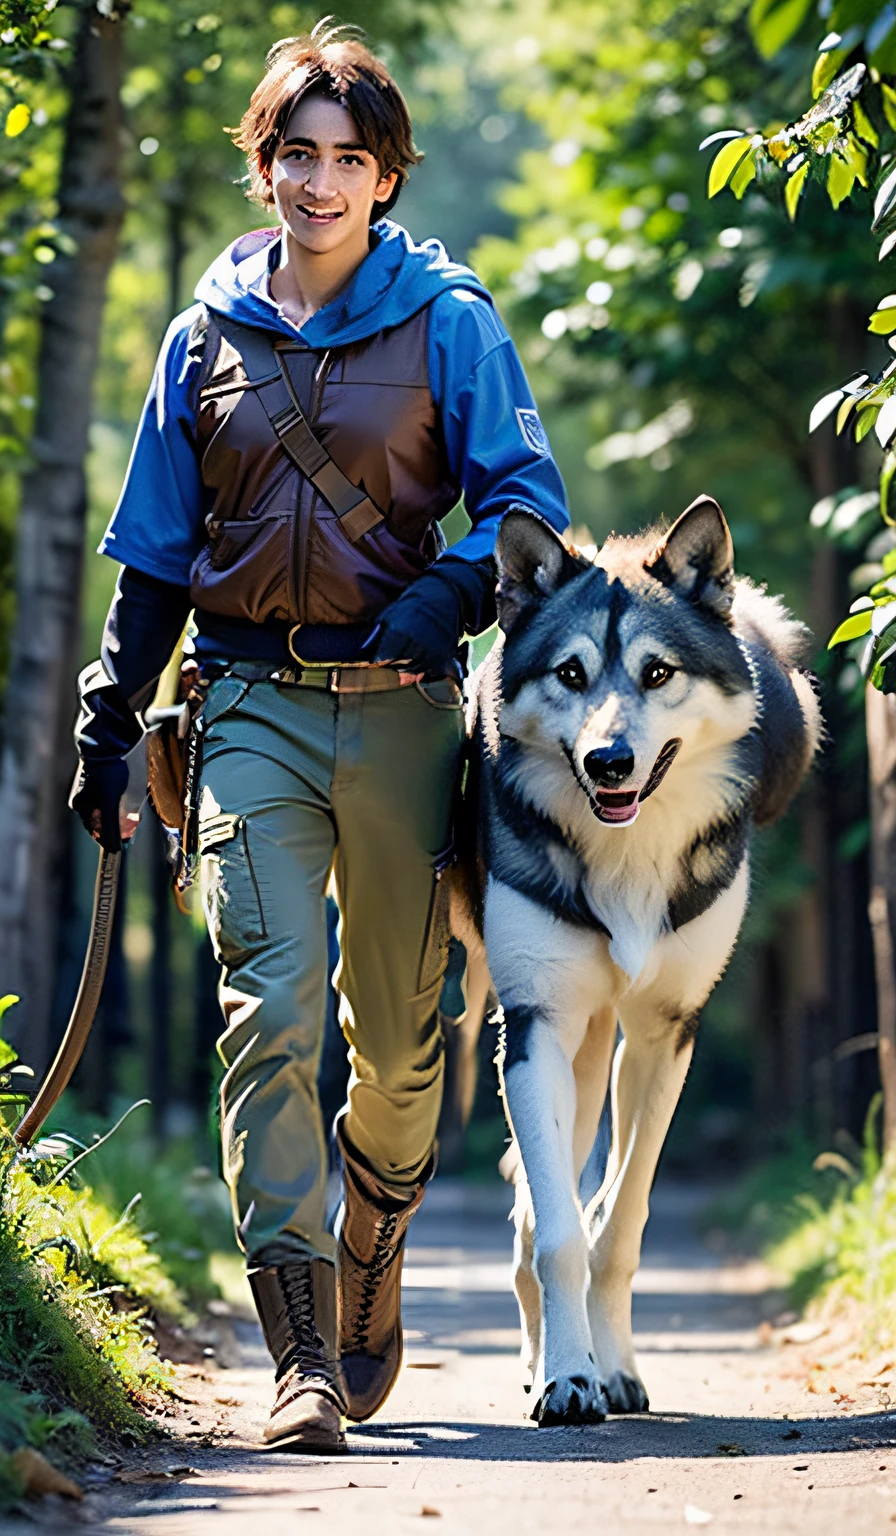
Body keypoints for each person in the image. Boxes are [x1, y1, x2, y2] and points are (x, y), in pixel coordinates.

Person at [71, 25, 568, 1453]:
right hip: (247, 707)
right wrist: (109, 728)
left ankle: (372, 1249)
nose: (321, 181)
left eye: (350, 158)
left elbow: (522, 510)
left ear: (388, 174)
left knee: (403, 1047)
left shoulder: (451, 320)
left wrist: (440, 599)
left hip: (406, 714)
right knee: (267, 1007)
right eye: (298, 154)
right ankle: (298, 1354)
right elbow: (157, 556)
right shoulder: (203, 336)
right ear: (265, 165)